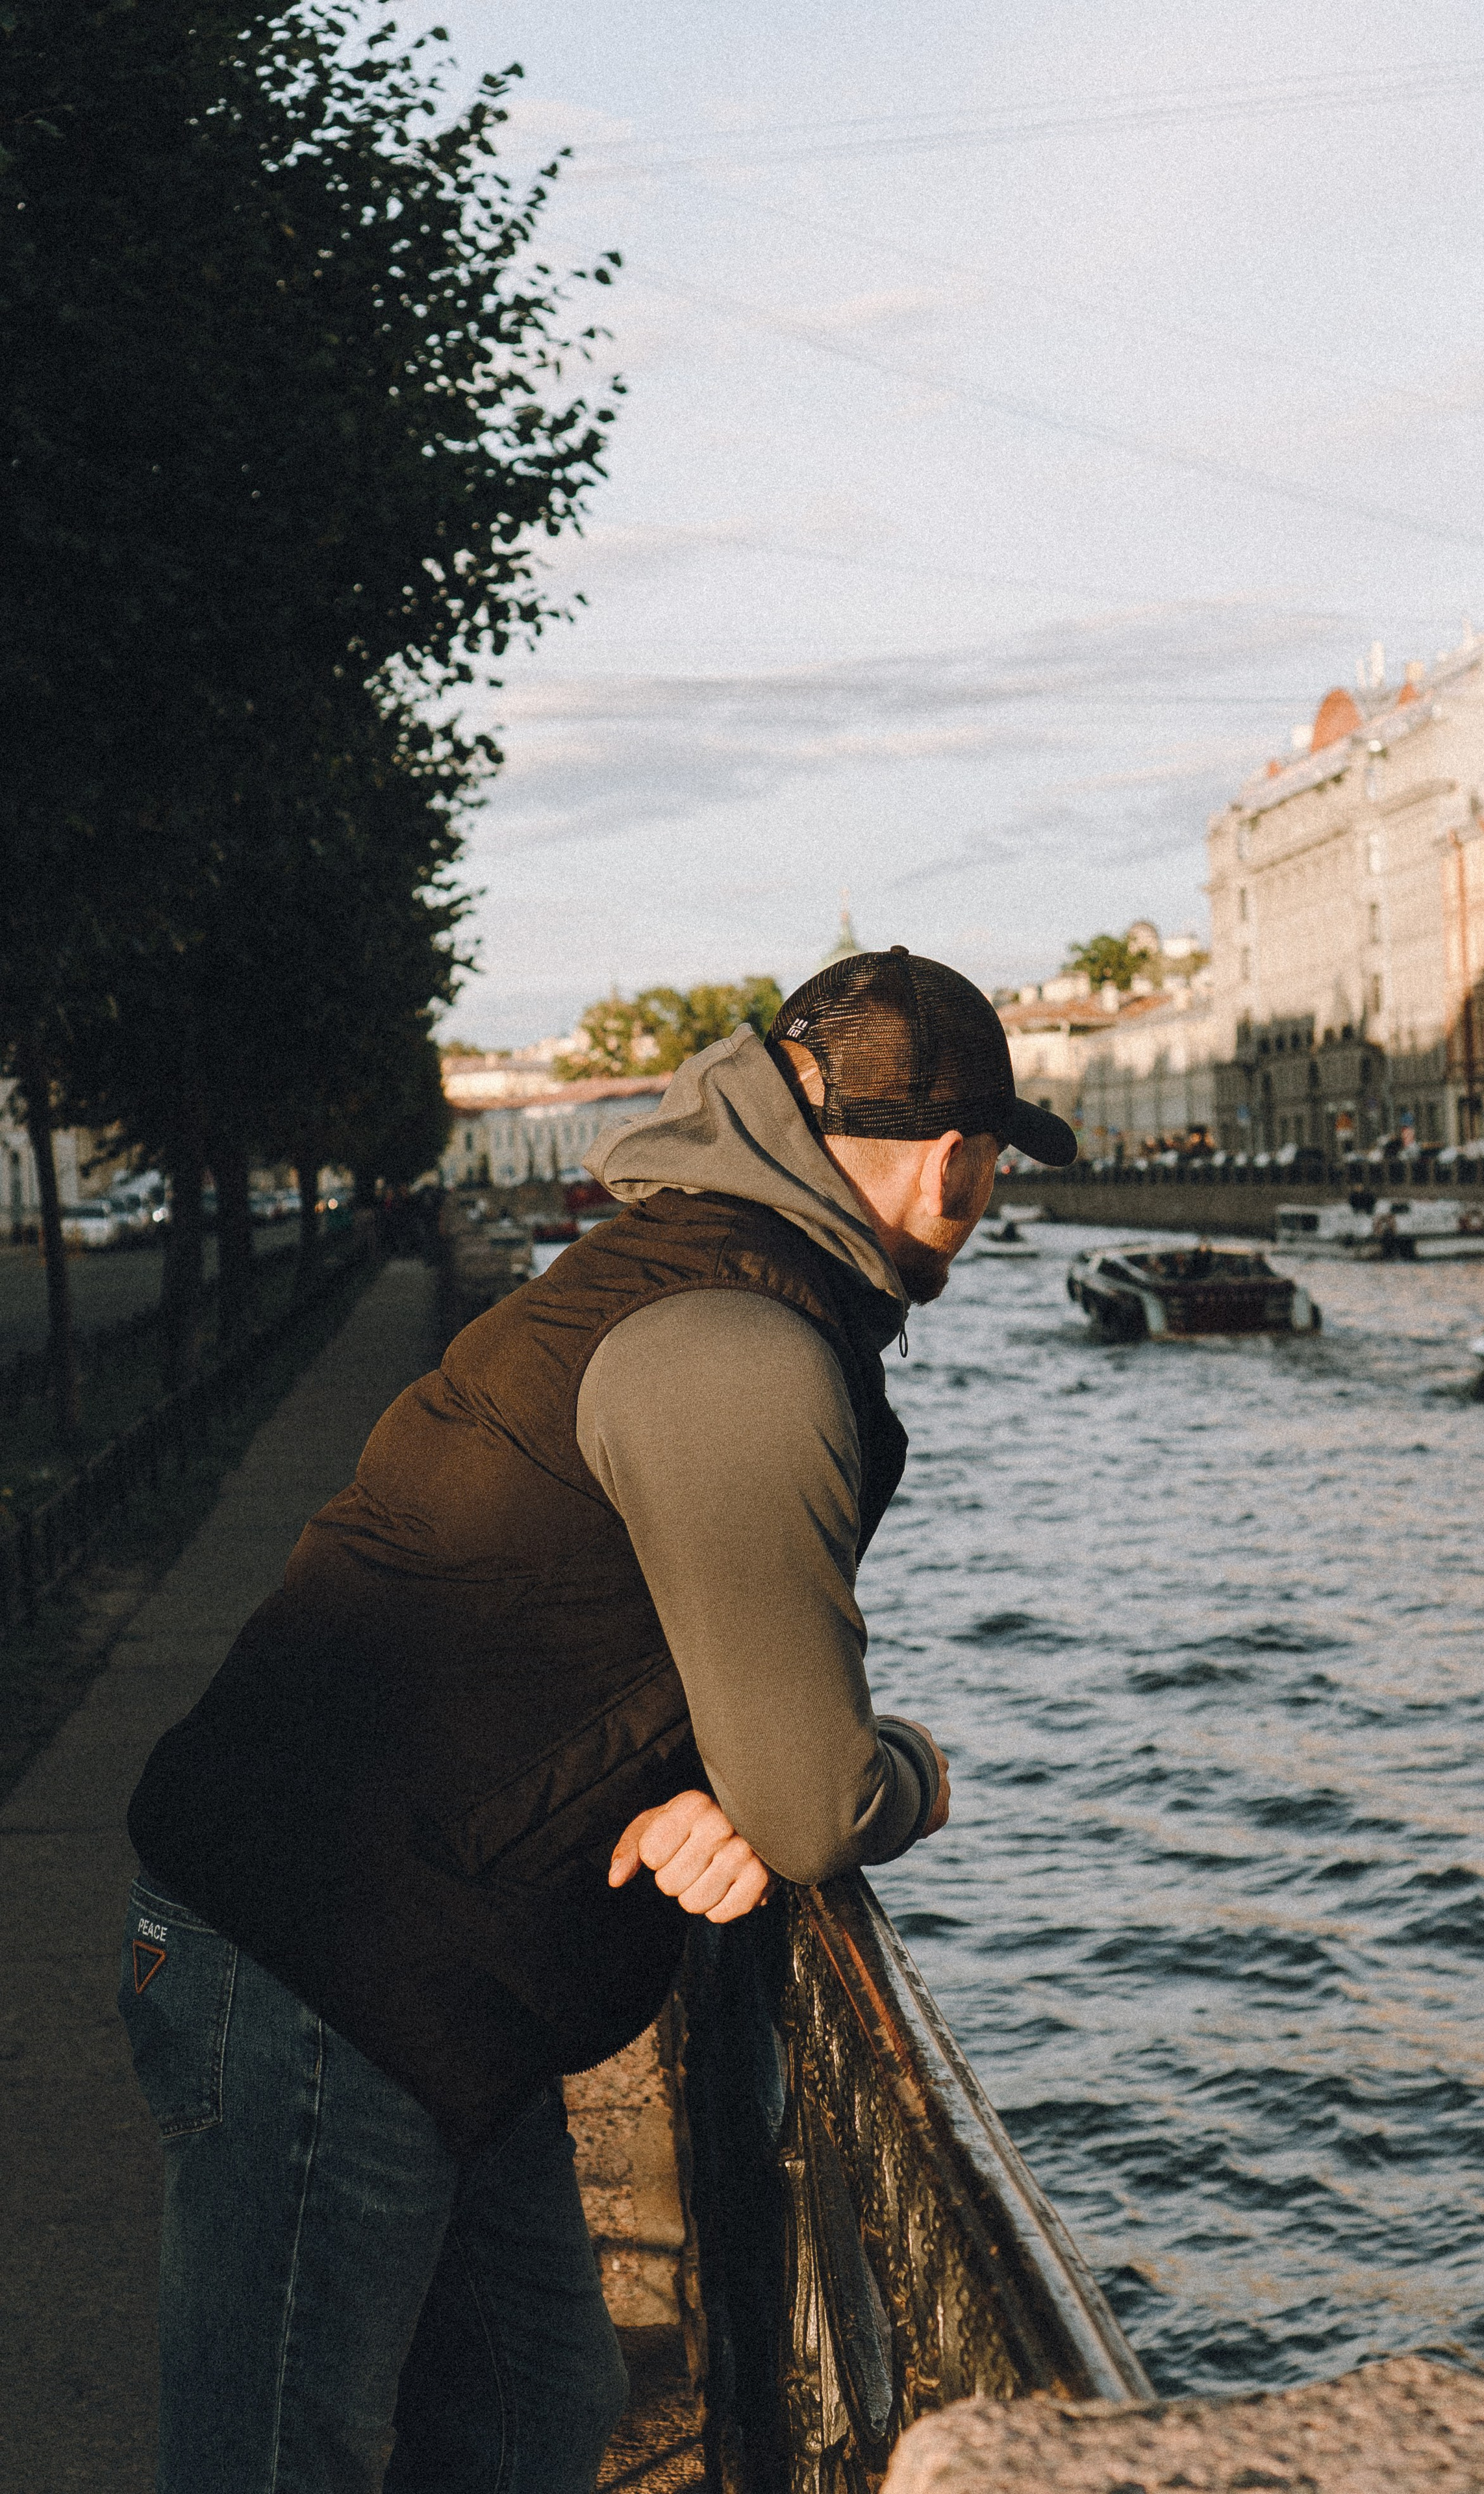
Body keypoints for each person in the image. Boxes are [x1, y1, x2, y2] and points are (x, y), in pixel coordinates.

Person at [119, 944, 1077, 2494]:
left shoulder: (688, 1268)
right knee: (277, 2460)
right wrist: (907, 1770)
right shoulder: (745, 1348)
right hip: (318, 1958)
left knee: (532, 2419)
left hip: (416, 1951)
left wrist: (721, 1773)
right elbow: (820, 1799)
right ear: (959, 1160)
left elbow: (648, 1663)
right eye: (988, 1166)